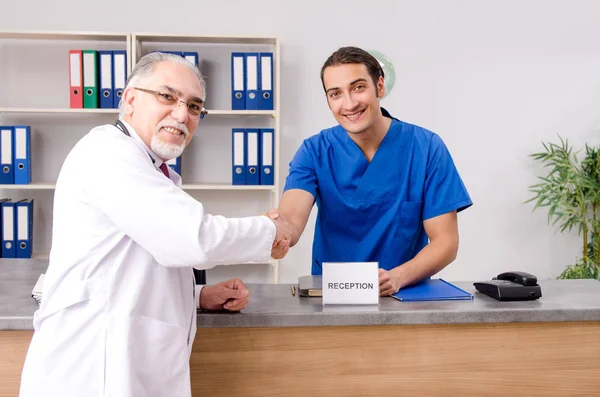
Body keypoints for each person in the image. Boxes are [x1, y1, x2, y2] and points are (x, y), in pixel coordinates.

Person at [19, 52, 291, 397]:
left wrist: (197, 296)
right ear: (130, 99)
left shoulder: (149, 168)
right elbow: (190, 239)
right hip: (90, 374)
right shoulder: (108, 153)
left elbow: (129, 269)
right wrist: (271, 231)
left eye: (194, 107)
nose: (182, 114)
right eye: (167, 96)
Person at [270, 46, 472, 296]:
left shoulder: (426, 148)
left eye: (358, 87)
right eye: (335, 94)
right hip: (333, 295)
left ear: (380, 86)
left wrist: (398, 277)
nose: (349, 103)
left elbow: (446, 243)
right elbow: (291, 218)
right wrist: (278, 233)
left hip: (404, 295)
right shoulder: (314, 151)